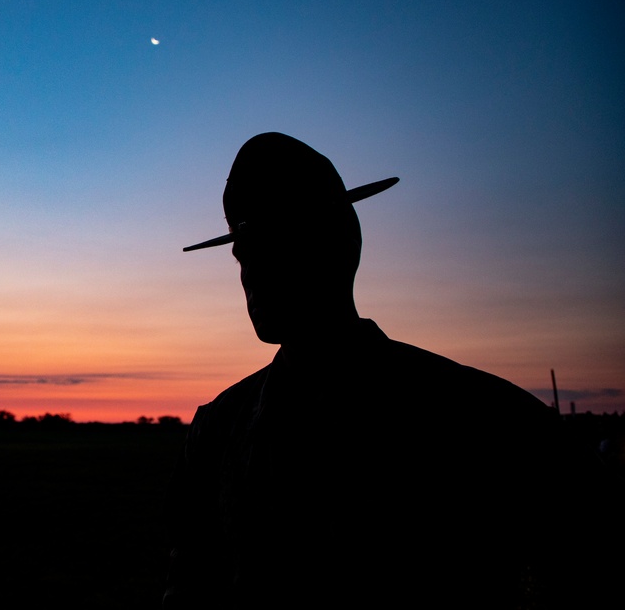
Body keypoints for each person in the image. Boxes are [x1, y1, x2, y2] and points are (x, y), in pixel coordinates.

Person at [163, 132, 618, 608]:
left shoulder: (480, 418)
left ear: (340, 243)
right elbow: (189, 597)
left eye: (275, 239)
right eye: (242, 248)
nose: (251, 267)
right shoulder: (215, 432)